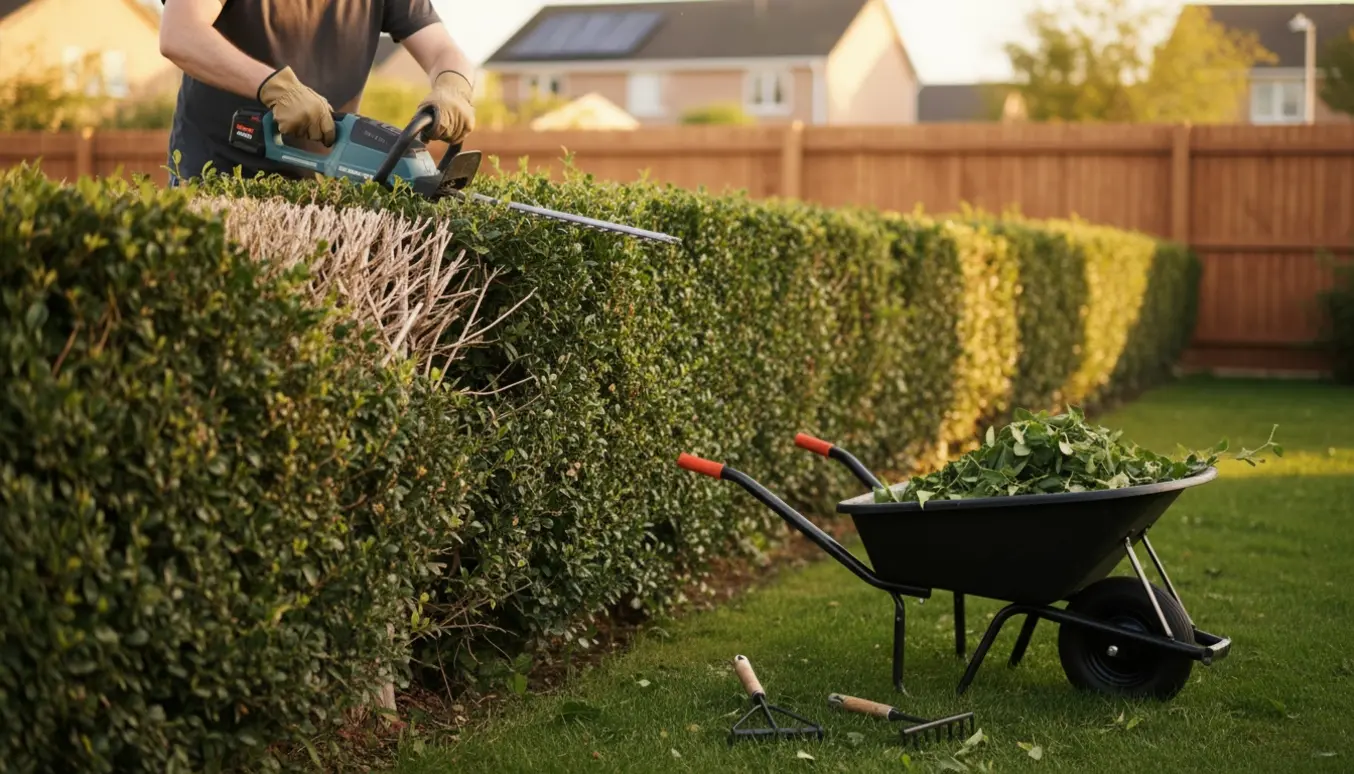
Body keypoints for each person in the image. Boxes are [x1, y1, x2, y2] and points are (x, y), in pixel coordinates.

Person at [158, 0, 477, 185]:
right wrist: (275, 87)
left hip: (322, 186)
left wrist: (452, 85)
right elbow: (180, 34)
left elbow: (442, 50)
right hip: (216, 176)